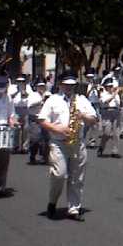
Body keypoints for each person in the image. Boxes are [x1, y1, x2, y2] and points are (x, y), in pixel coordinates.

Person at [38, 70, 97, 221]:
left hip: (78, 143)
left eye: (72, 85)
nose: (69, 88)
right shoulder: (52, 100)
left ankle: (73, 208)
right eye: (66, 85)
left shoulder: (81, 100)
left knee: (77, 178)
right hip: (59, 142)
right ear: (60, 85)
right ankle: (52, 202)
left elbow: (93, 118)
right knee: (59, 174)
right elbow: (42, 120)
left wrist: (82, 115)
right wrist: (57, 129)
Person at [27, 79, 49, 164]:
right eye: (39, 86)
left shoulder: (48, 94)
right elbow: (29, 105)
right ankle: (32, 156)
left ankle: (44, 157)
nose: (41, 88)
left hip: (45, 119)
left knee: (46, 139)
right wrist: (41, 100)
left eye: (43, 86)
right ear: (36, 87)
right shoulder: (33, 95)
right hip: (35, 118)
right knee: (35, 139)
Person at [98, 77, 121, 158]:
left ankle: (115, 151)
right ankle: (101, 147)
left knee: (116, 133)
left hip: (116, 112)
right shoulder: (103, 94)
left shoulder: (116, 94)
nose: (111, 88)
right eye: (109, 86)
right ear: (105, 87)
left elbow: (119, 104)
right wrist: (114, 94)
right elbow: (106, 101)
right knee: (106, 133)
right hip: (106, 112)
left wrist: (118, 95)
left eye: (111, 86)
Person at [11, 74, 31, 154]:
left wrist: (24, 91)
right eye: (19, 81)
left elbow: (30, 96)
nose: (20, 83)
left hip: (25, 109)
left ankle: (24, 147)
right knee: (16, 128)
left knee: (26, 128)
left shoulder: (28, 87)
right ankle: (15, 146)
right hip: (16, 109)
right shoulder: (12, 87)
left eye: (22, 81)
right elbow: (10, 97)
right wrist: (17, 91)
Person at [84, 69, 101, 147]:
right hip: (88, 104)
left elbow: (100, 96)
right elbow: (85, 95)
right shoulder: (85, 85)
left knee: (95, 123)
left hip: (96, 104)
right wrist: (91, 89)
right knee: (86, 124)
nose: (90, 79)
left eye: (91, 77)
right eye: (89, 77)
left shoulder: (97, 85)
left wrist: (97, 89)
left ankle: (92, 140)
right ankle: (83, 139)